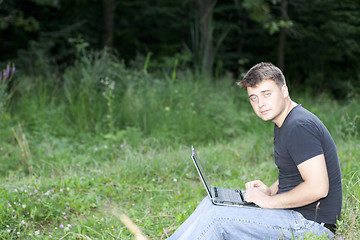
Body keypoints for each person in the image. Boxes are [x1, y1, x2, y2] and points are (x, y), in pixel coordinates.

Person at [167, 62, 342, 239]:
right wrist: (269, 192)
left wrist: (269, 202)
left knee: (217, 217)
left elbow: (318, 188)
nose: (260, 103)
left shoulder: (299, 126)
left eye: (267, 94)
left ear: (284, 91)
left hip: (311, 226)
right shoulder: (286, 122)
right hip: (295, 216)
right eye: (254, 98)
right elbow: (295, 174)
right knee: (211, 204)